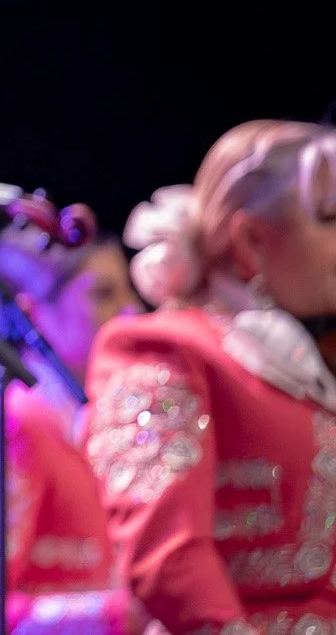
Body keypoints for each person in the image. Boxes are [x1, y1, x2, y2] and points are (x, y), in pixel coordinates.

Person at [85, 120, 336, 634]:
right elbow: (167, 558)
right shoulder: (167, 346)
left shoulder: (305, 364)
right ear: (251, 240)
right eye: (332, 219)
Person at [0, 227, 144, 634]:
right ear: (30, 315)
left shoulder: (84, 432)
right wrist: (126, 617)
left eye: (128, 290)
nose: (131, 310)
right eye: (104, 294)